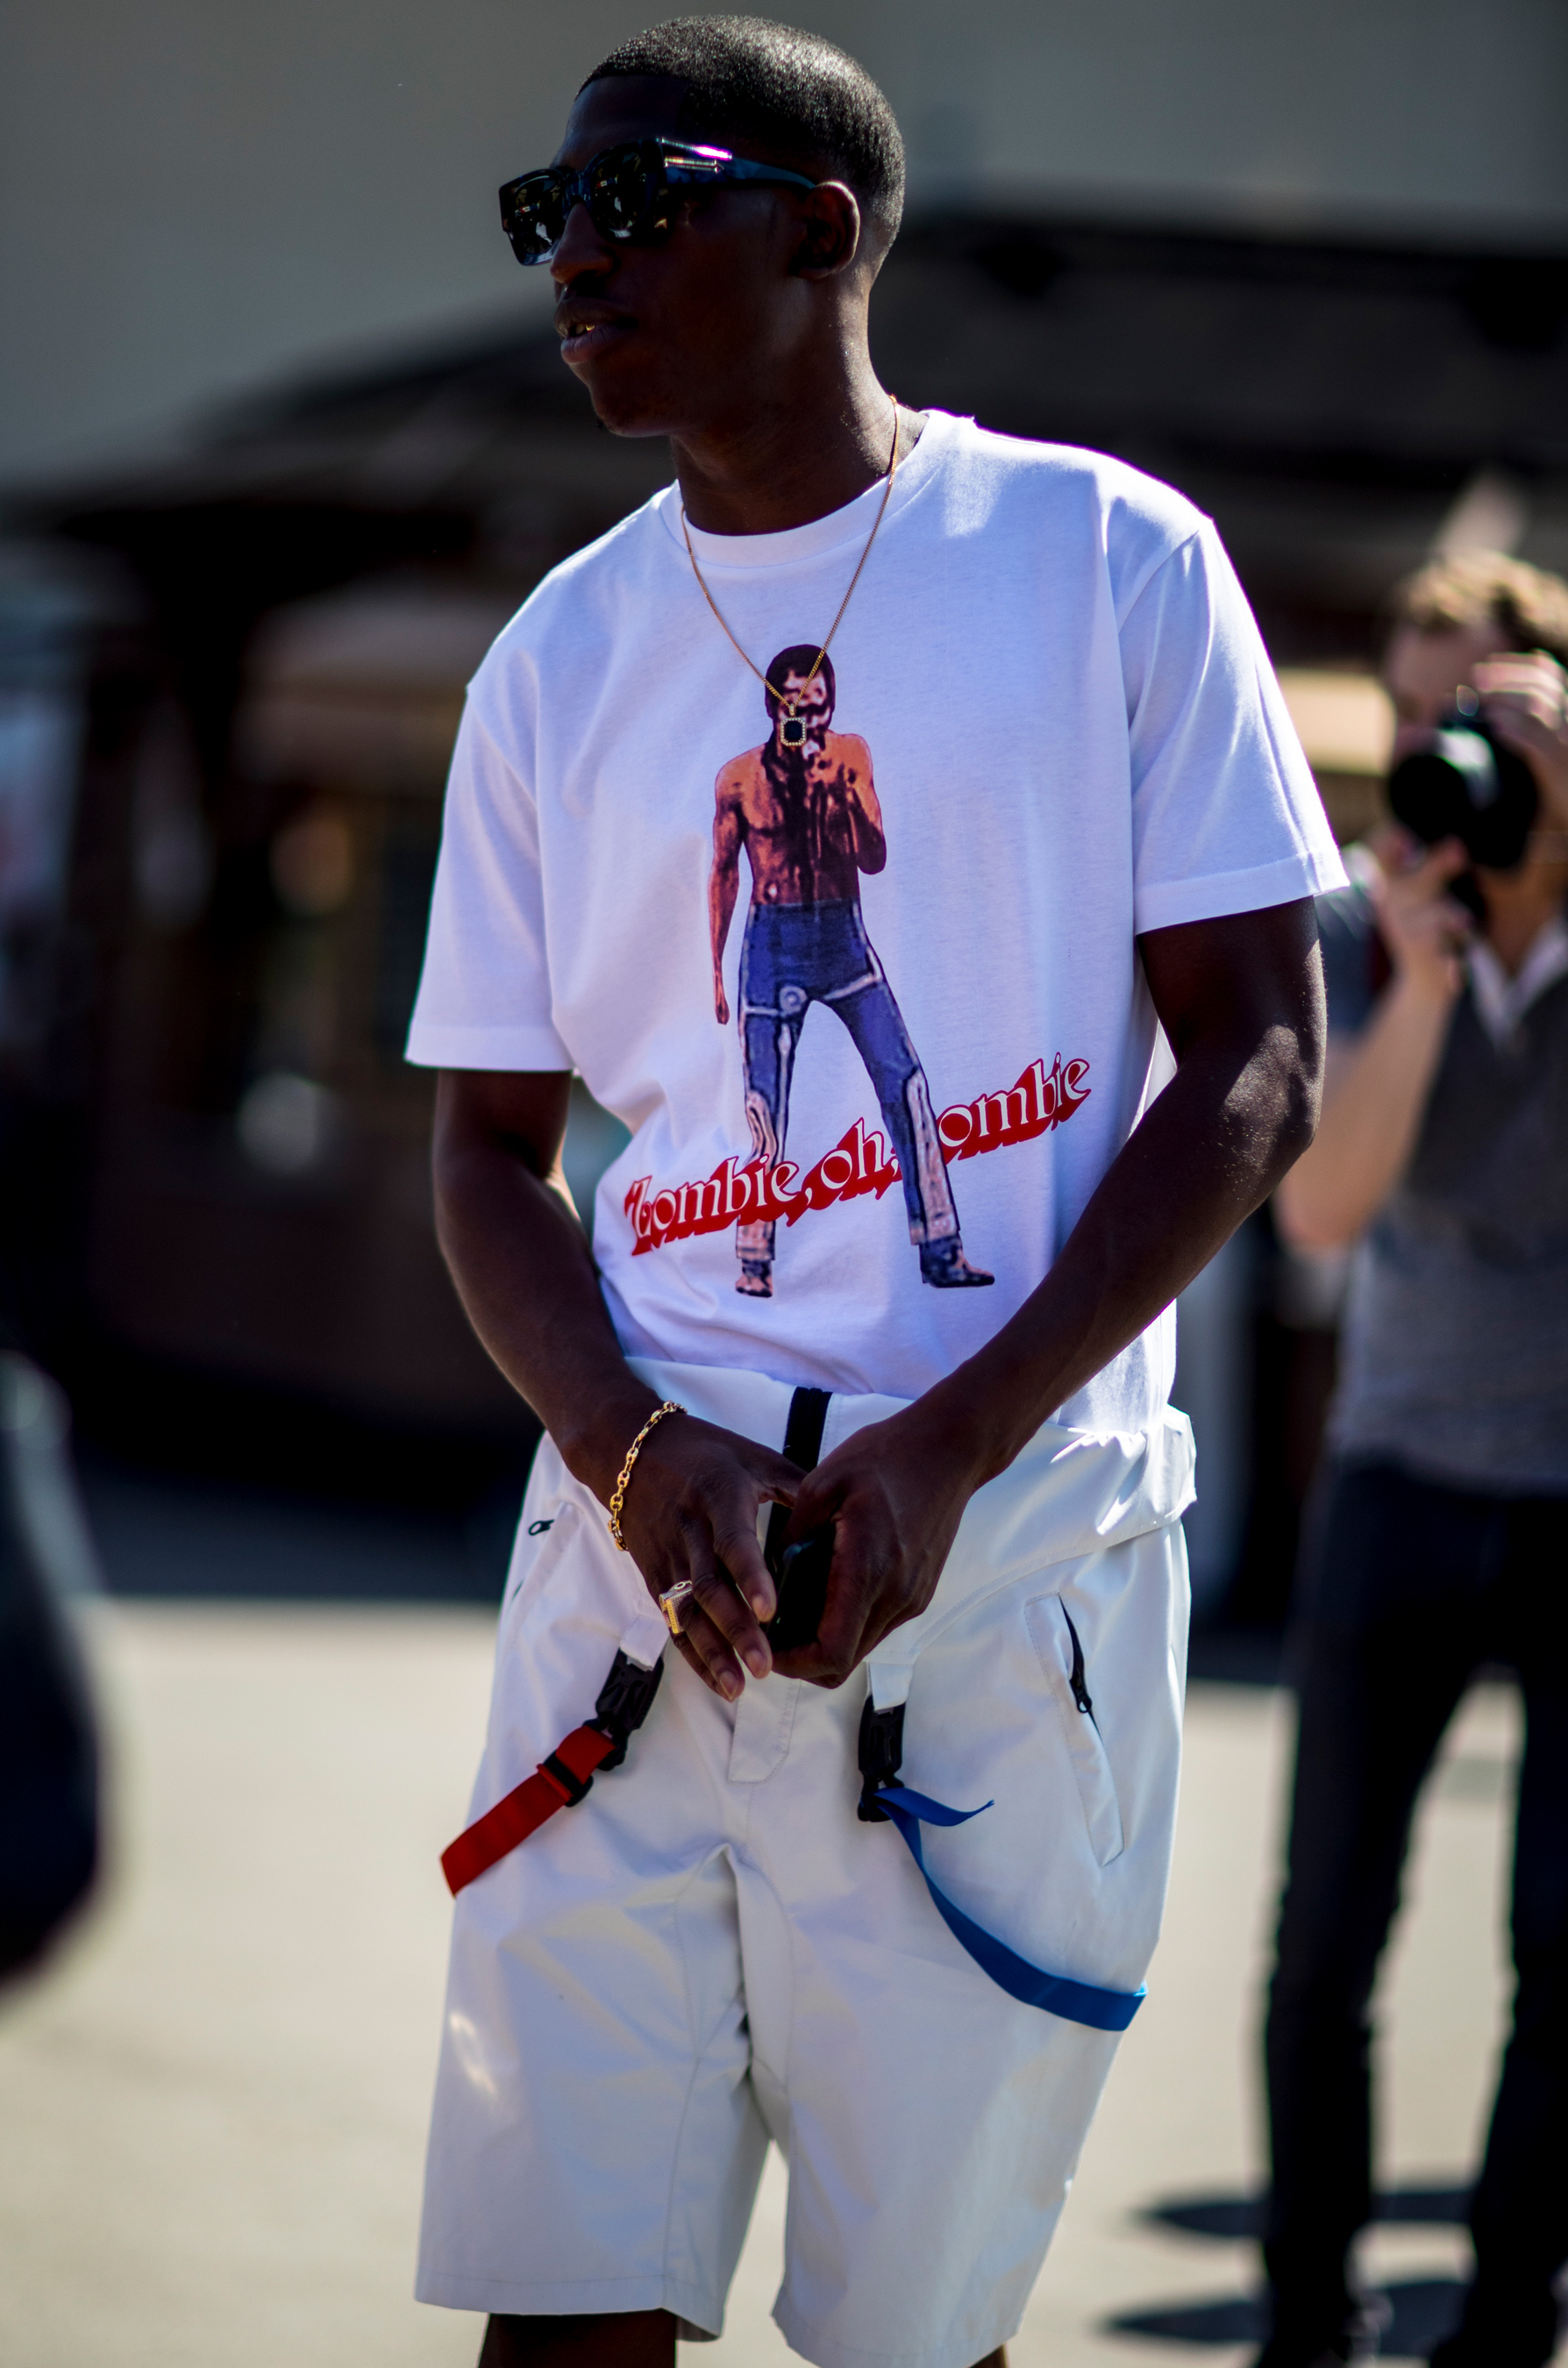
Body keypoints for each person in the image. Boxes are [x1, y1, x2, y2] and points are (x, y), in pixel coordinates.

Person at [404, 18, 1342, 2367]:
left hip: (998, 1571)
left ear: (819, 231)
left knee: (917, 2339)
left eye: (635, 202)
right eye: (547, 218)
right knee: (563, 2311)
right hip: (640, 1572)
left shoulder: (1106, 559)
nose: (575, 261)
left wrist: (947, 1446)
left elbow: (1259, 1051)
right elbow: (486, 1151)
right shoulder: (556, 657)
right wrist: (637, 1454)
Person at [1258, 551, 1568, 2368]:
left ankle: (1507, 2325)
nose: (1444, 749)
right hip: (1398, 1473)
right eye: (1418, 713)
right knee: (1325, 1944)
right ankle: (1307, 2316)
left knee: (1566, 1954)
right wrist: (1434, 973)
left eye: (1486, 713)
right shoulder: (1363, 930)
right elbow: (1322, 1212)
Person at [709, 642, 989, 1295]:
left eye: (818, 705)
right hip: (774, 940)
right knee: (764, 1107)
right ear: (772, 707)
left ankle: (941, 1246)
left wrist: (845, 793)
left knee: (905, 1080)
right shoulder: (739, 778)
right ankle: (753, 1258)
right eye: (794, 705)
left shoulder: (850, 755)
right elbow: (723, 871)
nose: (806, 718)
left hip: (840, 933)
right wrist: (716, 970)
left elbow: (875, 857)